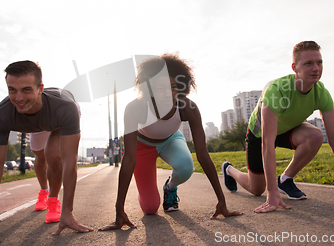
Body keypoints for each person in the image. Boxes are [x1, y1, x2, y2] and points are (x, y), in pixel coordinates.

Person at [222, 41, 334, 213]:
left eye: (319, 62)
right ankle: (229, 169)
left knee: (316, 136)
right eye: (308, 63)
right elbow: (267, 143)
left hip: (289, 129)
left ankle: (286, 179)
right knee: (257, 189)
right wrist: (272, 193)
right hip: (260, 134)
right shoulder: (276, 91)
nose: (316, 68)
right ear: (294, 67)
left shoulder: (321, 93)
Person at [99, 53, 242, 230]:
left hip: (171, 140)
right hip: (142, 146)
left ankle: (170, 187)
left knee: (185, 167)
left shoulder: (188, 107)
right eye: (160, 88)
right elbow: (128, 158)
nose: (168, 93)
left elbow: (203, 155)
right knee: (150, 208)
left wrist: (222, 200)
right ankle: (147, 194)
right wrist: (118, 210)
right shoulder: (135, 108)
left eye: (173, 87)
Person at [0, 61, 92, 246]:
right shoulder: (1, 115)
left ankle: (54, 201)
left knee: (54, 155)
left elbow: (70, 160)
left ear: (40, 89)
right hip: (38, 123)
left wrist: (68, 211)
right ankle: (43, 191)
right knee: (40, 156)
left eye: (26, 90)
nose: (18, 97)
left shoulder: (64, 107)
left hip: (57, 120)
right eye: (12, 90)